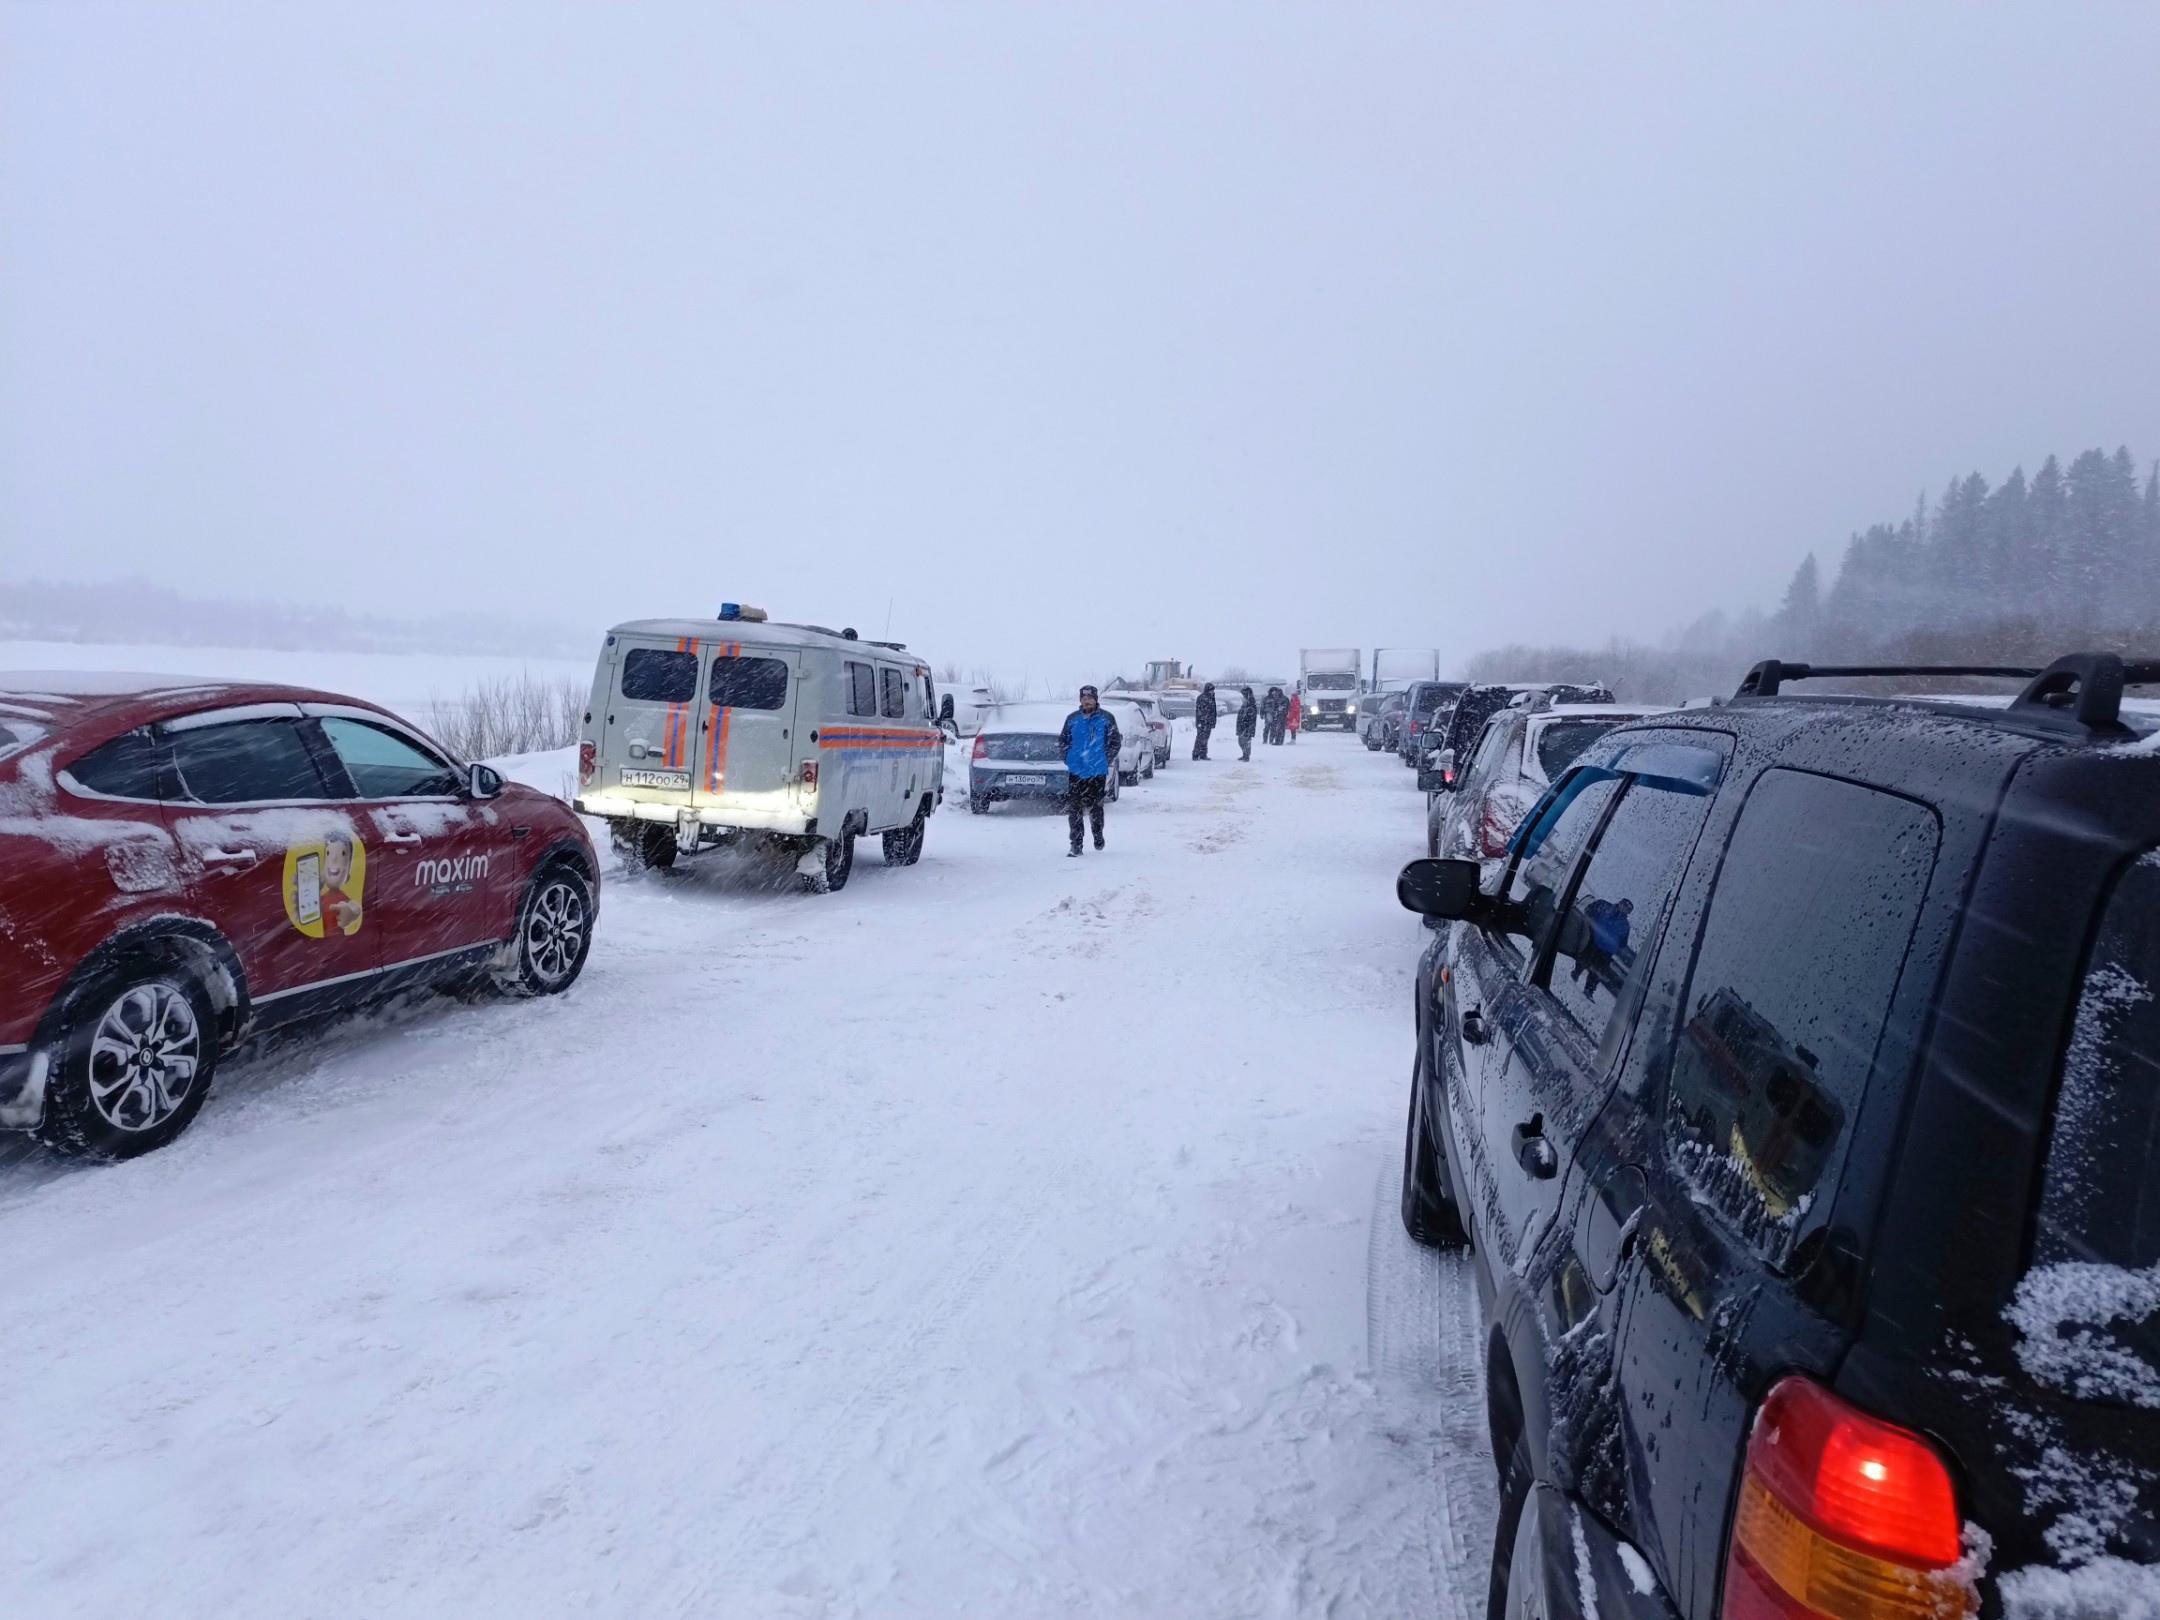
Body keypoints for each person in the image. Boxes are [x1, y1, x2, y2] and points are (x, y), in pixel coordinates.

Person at [1058, 685, 1122, 856]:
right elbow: (1063, 741)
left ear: (1095, 699)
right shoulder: (1072, 719)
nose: (1086, 700)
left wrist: (1104, 758)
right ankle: (1076, 844)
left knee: (1096, 808)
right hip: (1076, 772)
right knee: (1075, 809)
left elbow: (1115, 741)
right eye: (1083, 698)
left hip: (1097, 772)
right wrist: (1068, 758)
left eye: (1089, 697)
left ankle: (1098, 834)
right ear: (1080, 700)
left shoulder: (1106, 719)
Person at [1192, 682, 1217, 760]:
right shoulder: (1202, 698)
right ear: (1207, 690)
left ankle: (1203, 754)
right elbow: (1199, 711)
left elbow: (1213, 711)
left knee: (1205, 738)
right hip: (1202, 722)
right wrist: (1200, 721)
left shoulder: (1212, 697)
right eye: (1211, 690)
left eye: (1213, 690)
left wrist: (1213, 721)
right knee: (1200, 738)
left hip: (1208, 722)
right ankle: (1195, 754)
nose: (1212, 691)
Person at [1235, 685, 1259, 760]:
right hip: (1242, 725)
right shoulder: (1245, 703)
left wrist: (1248, 726)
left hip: (1247, 726)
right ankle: (1244, 754)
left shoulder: (1250, 703)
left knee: (1246, 741)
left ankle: (1246, 755)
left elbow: (1251, 717)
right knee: (1241, 741)